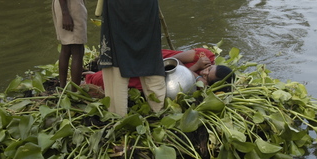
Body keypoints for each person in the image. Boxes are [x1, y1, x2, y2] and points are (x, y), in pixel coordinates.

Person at [85, 48, 222, 89]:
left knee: (102, 80)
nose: (205, 71)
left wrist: (198, 79)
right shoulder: (205, 56)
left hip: (155, 76)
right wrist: (196, 70)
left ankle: (89, 77)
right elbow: (174, 61)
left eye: (207, 75)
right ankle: (88, 72)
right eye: (210, 68)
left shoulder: (202, 86)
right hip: (157, 61)